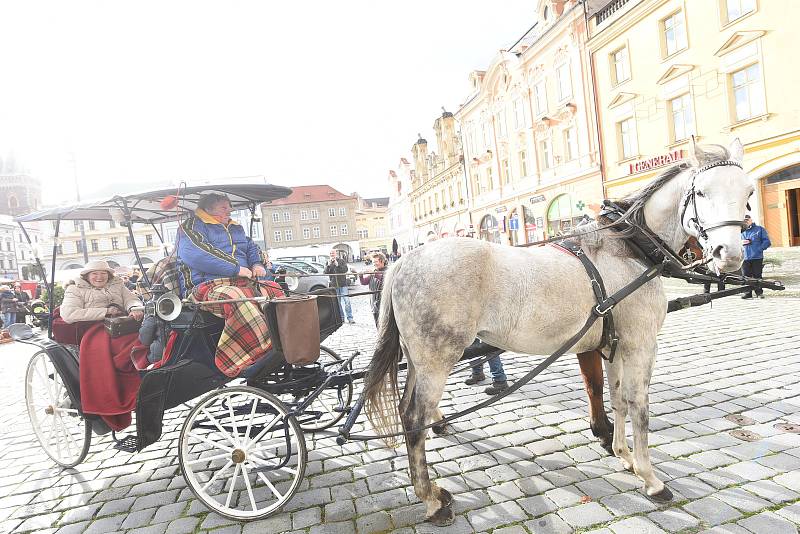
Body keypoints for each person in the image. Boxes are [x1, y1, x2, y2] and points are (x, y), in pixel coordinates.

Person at [176, 193, 283, 377]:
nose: (230, 210)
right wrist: (236, 269)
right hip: (206, 285)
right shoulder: (191, 227)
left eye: (229, 206)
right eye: (224, 207)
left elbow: (250, 247)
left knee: (275, 290)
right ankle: (251, 356)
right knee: (236, 298)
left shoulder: (235, 227)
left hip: (241, 281)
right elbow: (198, 254)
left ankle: (283, 341)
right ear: (208, 208)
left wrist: (256, 264)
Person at [59, 260, 145, 431]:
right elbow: (68, 314)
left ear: (109, 275)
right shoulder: (75, 288)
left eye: (103, 274)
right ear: (87, 276)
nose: (99, 277)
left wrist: (135, 308)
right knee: (126, 346)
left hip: (122, 325)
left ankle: (146, 373)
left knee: (147, 336)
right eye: (95, 274)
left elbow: (131, 299)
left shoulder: (117, 285)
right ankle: (129, 386)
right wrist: (104, 312)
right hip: (94, 330)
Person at [740, 214, 771, 299]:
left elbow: (767, 242)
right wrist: (741, 243)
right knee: (745, 276)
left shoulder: (759, 229)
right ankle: (747, 293)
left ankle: (759, 293)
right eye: (744, 220)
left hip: (757, 257)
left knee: (757, 275)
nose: (746, 221)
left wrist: (759, 249)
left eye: (747, 220)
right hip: (744, 258)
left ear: (751, 220)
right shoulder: (740, 231)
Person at [324, 250, 354, 324]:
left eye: (333, 253)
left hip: (343, 284)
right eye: (330, 253)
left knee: (347, 301)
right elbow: (325, 272)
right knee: (338, 303)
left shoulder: (341, 261)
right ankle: (342, 318)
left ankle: (350, 318)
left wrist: (338, 265)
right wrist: (329, 265)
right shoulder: (328, 262)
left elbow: (345, 270)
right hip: (334, 285)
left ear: (336, 254)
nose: (332, 255)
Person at [359, 252, 388, 326]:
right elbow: (364, 282)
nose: (374, 264)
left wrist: (374, 273)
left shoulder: (388, 271)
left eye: (376, 261)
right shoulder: (375, 271)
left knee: (385, 324)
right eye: (373, 262)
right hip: (374, 303)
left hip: (384, 303)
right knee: (377, 324)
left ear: (382, 261)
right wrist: (360, 276)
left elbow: (384, 279)